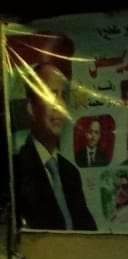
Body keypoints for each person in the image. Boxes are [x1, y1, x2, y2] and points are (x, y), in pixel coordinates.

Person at [13, 62, 97, 231]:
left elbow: (89, 234)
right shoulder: (15, 170)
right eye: (51, 95)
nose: (59, 105)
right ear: (31, 108)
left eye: (63, 96)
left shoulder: (70, 173)